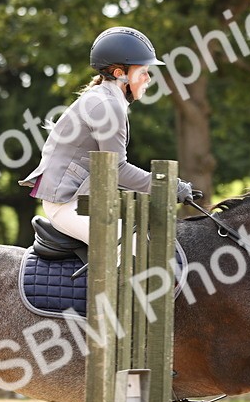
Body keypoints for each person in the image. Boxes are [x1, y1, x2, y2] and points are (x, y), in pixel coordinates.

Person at [19, 26, 198, 244]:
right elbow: (117, 169)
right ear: (119, 74)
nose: (148, 78)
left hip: (80, 198)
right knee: (132, 248)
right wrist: (169, 186)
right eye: (143, 71)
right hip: (66, 202)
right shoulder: (108, 105)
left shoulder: (107, 99)